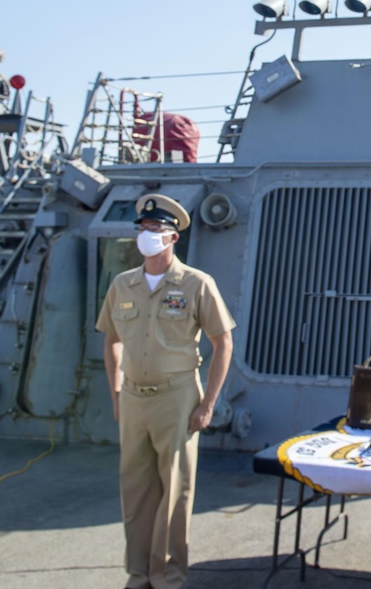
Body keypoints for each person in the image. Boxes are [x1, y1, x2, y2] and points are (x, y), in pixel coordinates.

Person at [96, 194, 236, 589]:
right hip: (134, 398)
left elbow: (222, 342)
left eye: (155, 231)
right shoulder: (124, 284)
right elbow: (111, 340)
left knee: (174, 490)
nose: (147, 236)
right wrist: (116, 391)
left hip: (176, 398)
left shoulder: (195, 284)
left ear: (172, 238)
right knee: (135, 490)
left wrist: (207, 404)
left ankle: (169, 576)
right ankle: (139, 574)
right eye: (143, 229)